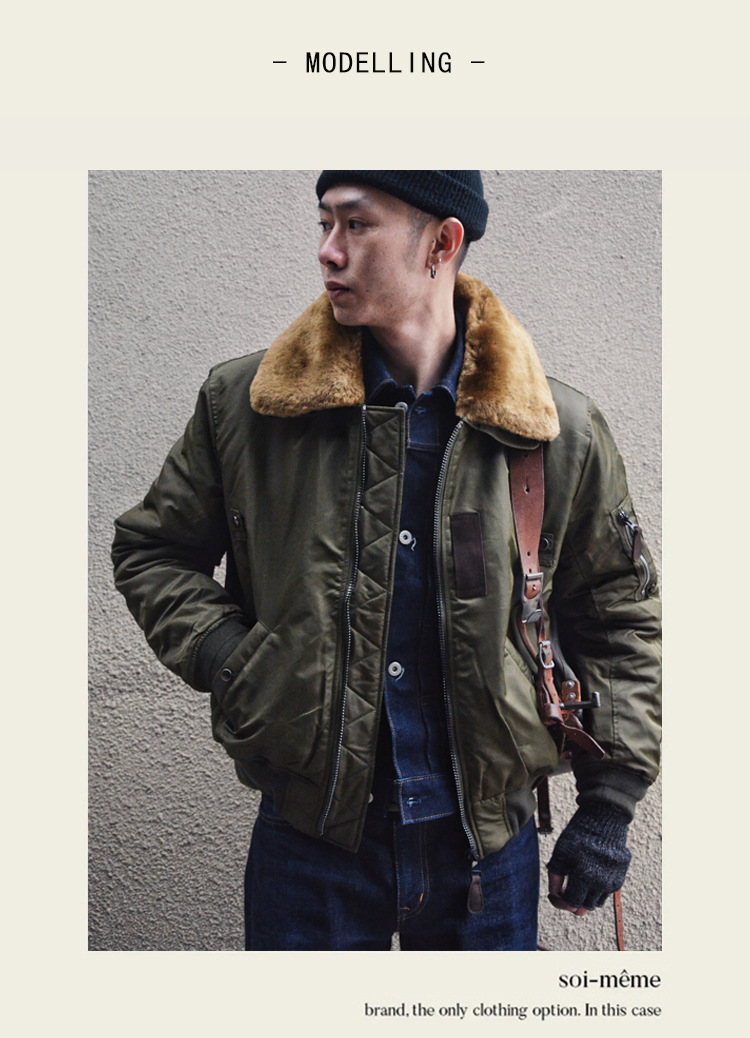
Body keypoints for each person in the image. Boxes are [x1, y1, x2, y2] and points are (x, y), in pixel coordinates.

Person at [111, 170, 661, 951]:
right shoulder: (247, 406)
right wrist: (238, 662)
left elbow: (618, 614)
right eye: (324, 224)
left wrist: (608, 807)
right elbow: (153, 550)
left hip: (487, 854)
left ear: (442, 243)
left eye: (357, 225)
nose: (328, 251)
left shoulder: (550, 429)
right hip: (310, 849)